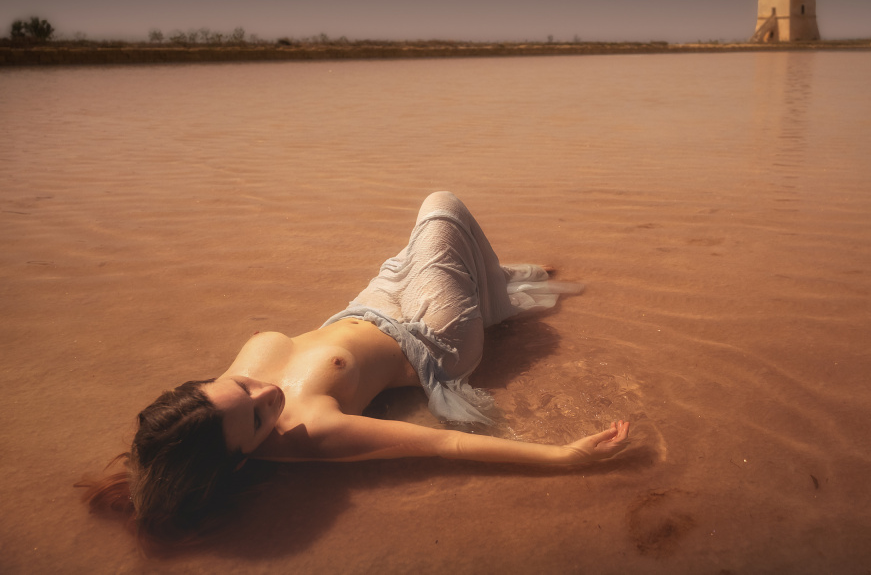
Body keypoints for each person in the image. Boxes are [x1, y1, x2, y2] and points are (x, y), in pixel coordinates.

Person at [81, 192, 630, 541]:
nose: (263, 395)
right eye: (255, 420)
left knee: (430, 242)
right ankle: (492, 296)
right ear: (245, 458)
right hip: (431, 339)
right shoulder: (311, 430)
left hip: (369, 301)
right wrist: (561, 457)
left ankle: (488, 282)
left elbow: (172, 441)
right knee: (442, 208)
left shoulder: (206, 416)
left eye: (239, 387)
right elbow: (445, 447)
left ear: (202, 387)